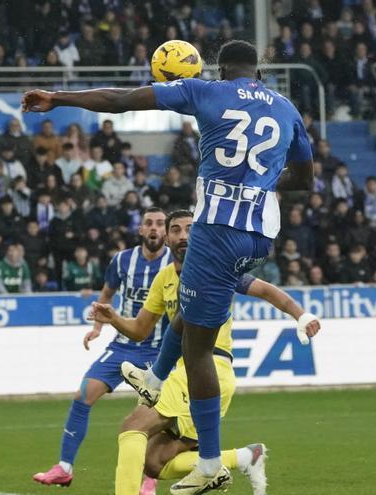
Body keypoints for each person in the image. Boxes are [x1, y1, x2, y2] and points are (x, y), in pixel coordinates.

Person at [24, 40, 314, 493]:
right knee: (189, 306)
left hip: (217, 229)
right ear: (256, 71)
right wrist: (261, 183)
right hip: (261, 236)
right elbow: (306, 179)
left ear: (219, 68)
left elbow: (120, 101)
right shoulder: (286, 108)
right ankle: (156, 377)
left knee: (196, 351)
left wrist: (57, 98)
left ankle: (211, 464)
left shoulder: (206, 92)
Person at [88, 211, 321, 495]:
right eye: (175, 230)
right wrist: (113, 318)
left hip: (209, 366)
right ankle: (245, 457)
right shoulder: (164, 278)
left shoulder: (215, 267)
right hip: (187, 369)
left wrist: (301, 315)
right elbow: (140, 329)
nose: (183, 235)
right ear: (167, 237)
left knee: (132, 426)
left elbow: (267, 291)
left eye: (189, 229)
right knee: (154, 461)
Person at [32, 208, 170, 488]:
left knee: (152, 413)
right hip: (123, 345)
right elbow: (107, 293)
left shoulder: (176, 263)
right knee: (83, 395)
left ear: (166, 231)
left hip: (159, 350)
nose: (154, 228)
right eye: (148, 224)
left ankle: (148, 480)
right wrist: (97, 327)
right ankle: (64, 467)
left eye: (159, 224)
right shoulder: (121, 261)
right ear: (141, 230)